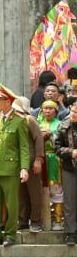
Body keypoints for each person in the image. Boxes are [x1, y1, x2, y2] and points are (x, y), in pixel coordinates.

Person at [0, 84, 30, 247]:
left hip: (10, 169)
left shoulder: (19, 121)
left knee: (11, 203)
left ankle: (10, 234)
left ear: (8, 102)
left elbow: (23, 147)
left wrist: (24, 168)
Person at [13, 97, 45, 233]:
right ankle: (23, 220)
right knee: (21, 194)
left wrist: (38, 158)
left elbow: (39, 139)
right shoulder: (13, 121)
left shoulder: (29, 120)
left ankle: (36, 221)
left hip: (32, 161)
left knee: (35, 193)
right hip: (18, 162)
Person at [54, 99, 77, 246]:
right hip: (70, 168)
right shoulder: (64, 126)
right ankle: (70, 233)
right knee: (69, 201)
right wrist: (71, 152)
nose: (74, 114)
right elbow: (57, 148)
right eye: (73, 111)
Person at [42, 100, 65, 232]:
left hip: (54, 159)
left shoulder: (60, 124)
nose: (48, 111)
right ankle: (44, 219)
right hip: (41, 158)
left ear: (56, 111)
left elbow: (61, 141)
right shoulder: (38, 123)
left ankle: (58, 220)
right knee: (42, 190)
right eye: (45, 109)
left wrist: (51, 135)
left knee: (56, 189)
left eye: (51, 109)